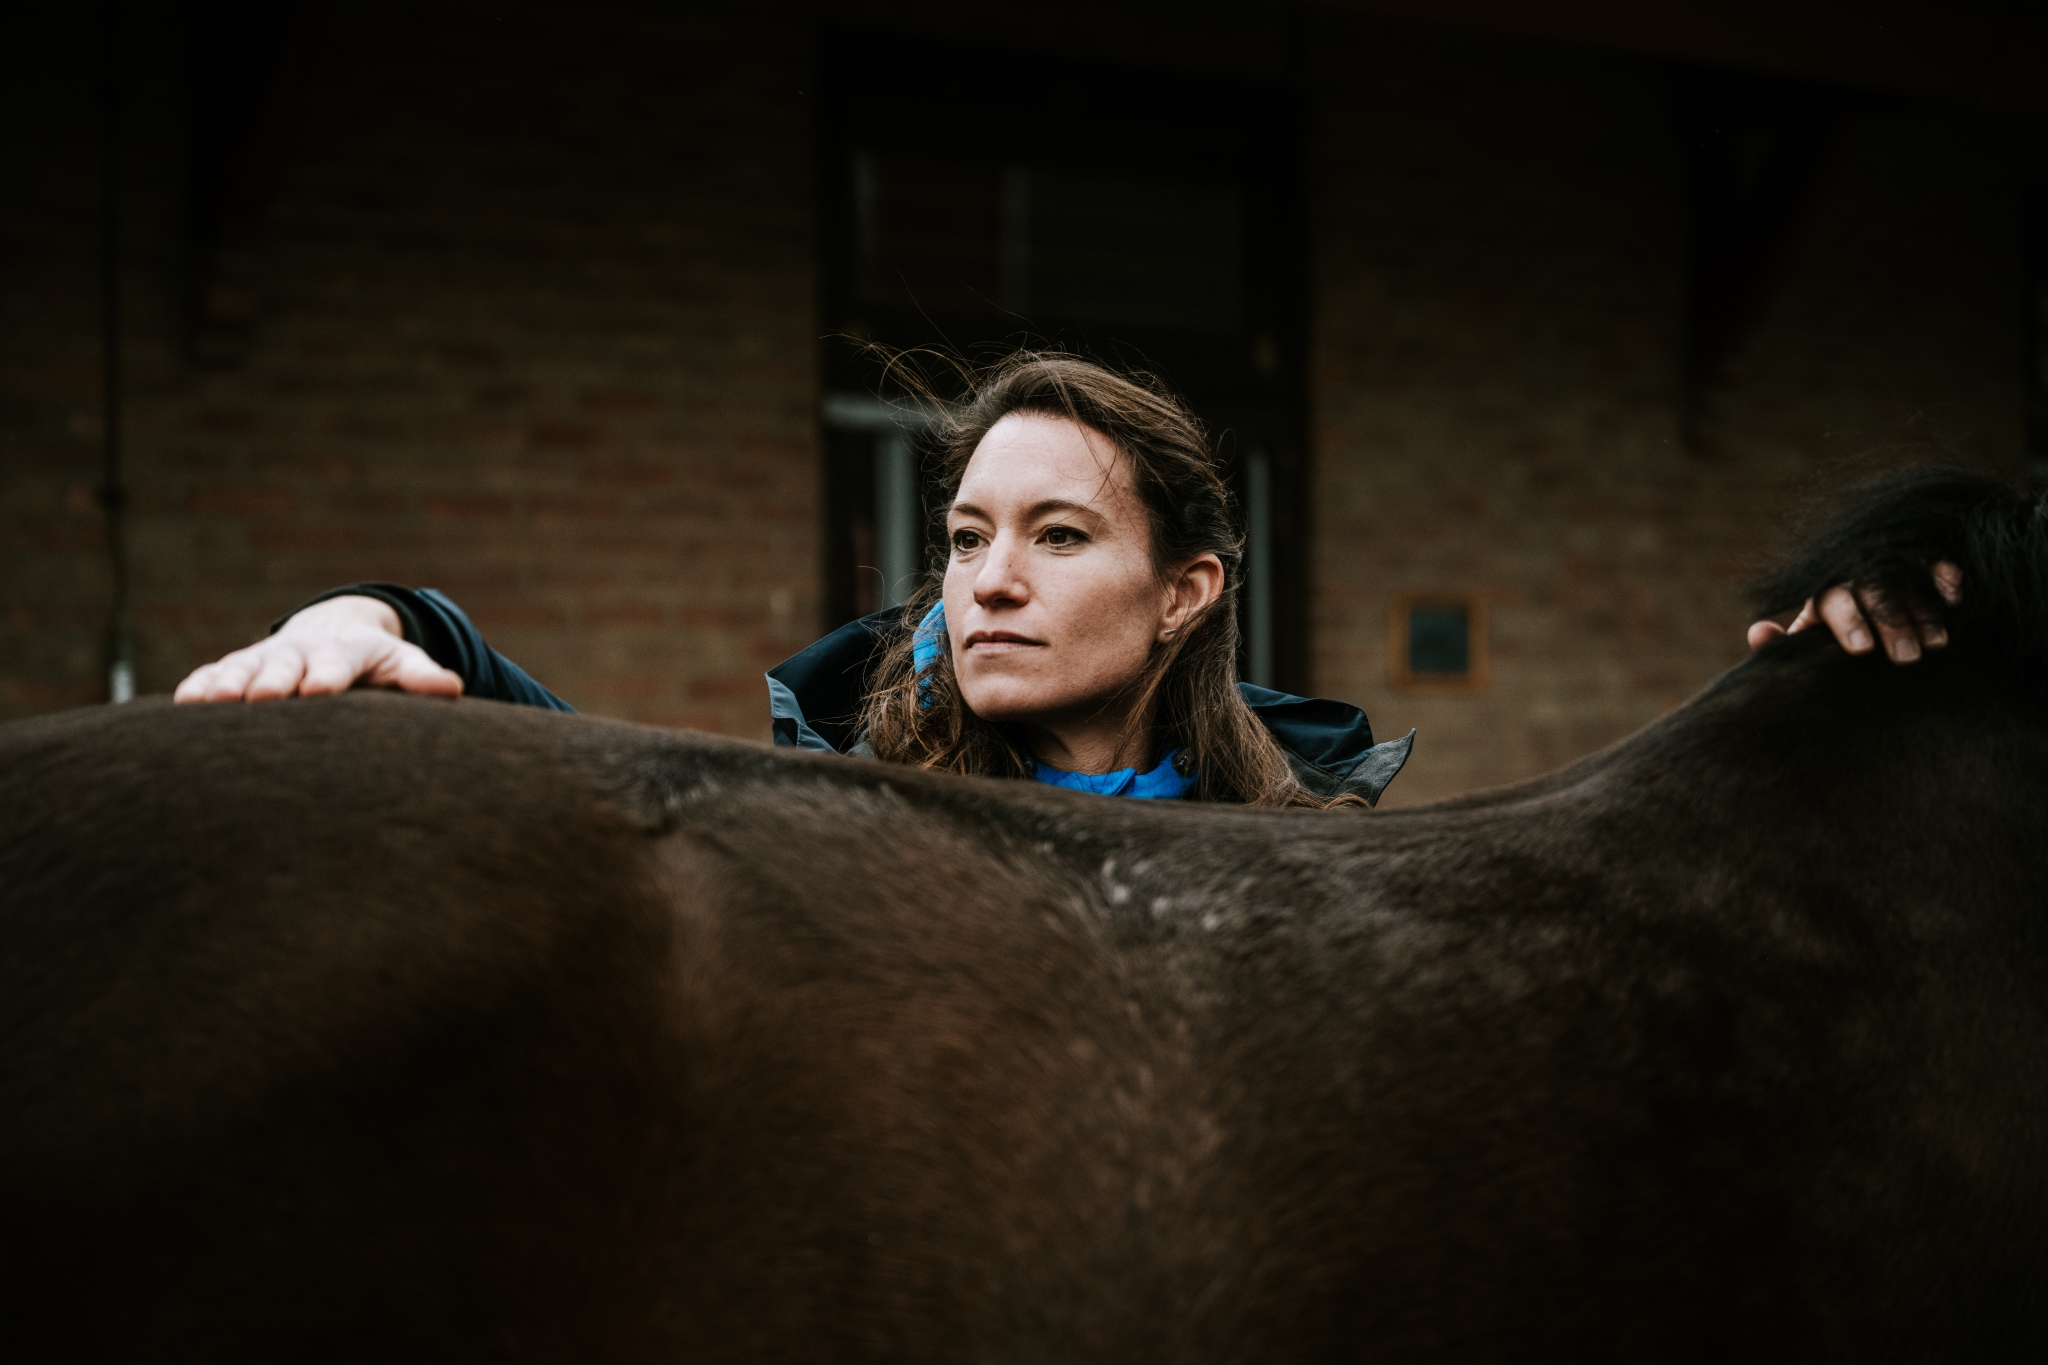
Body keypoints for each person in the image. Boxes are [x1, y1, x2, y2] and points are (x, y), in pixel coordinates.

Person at [174, 354, 1958, 806]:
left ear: (1188, 590)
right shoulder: (844, 802)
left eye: (1056, 535)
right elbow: (591, 759)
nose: (988, 582)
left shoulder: (1310, 842)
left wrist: (1811, 674)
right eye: (963, 538)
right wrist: (387, 622)